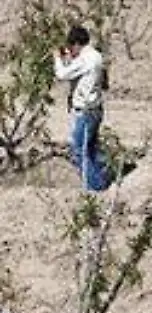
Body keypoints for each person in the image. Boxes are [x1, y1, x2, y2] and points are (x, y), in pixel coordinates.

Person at [53, 26, 111, 192]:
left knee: (78, 151)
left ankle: (96, 188)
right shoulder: (96, 56)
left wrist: (58, 58)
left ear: (76, 44)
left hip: (85, 111)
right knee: (91, 150)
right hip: (96, 109)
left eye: (71, 46)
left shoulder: (86, 59)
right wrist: (70, 58)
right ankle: (103, 178)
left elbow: (62, 75)